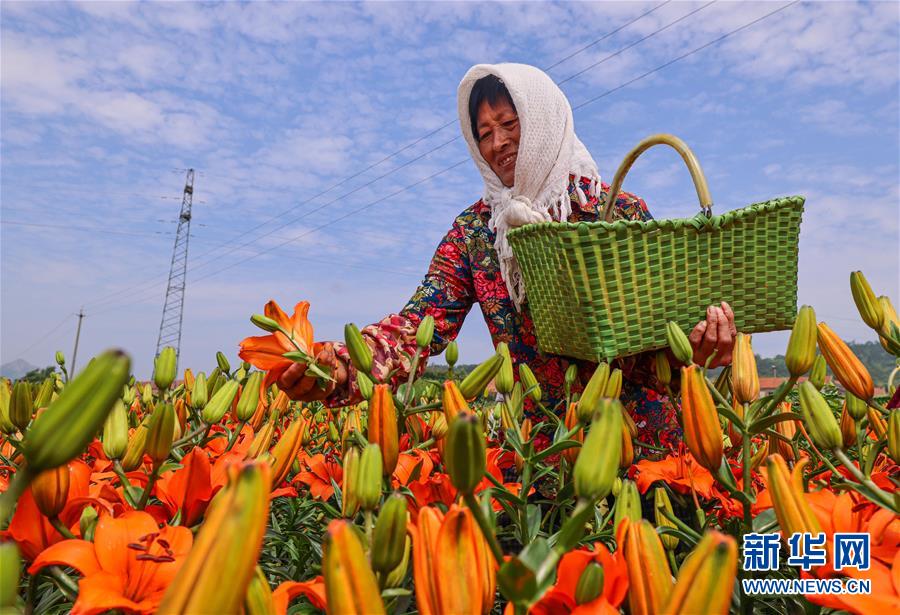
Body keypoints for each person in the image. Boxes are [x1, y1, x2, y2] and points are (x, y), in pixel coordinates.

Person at [276, 63, 735, 450]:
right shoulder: (477, 232)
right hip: (538, 451)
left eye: (510, 124)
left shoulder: (618, 214)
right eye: (484, 133)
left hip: (645, 444)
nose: (498, 143)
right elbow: (417, 327)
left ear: (544, 121)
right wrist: (339, 367)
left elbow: (670, 330)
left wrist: (705, 345)